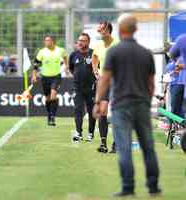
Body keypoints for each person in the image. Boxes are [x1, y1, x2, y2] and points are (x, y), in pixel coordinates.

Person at [93, 14, 161, 197]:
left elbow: (105, 79)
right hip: (141, 104)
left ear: (121, 30)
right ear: (135, 30)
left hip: (121, 104)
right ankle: (153, 187)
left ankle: (128, 187)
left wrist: (97, 101)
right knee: (148, 147)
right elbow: (151, 84)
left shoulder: (114, 52)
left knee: (123, 148)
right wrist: (146, 101)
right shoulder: (146, 53)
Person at [92, 21, 119, 153]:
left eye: (101, 29)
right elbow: (94, 57)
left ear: (108, 30)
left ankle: (116, 144)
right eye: (98, 29)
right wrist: (95, 70)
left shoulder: (118, 44)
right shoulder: (98, 46)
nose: (99, 32)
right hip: (103, 82)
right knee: (102, 111)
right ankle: (103, 144)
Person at [32, 35, 69, 126]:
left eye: (48, 40)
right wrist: (34, 75)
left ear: (53, 41)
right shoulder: (42, 52)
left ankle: (52, 117)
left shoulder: (60, 50)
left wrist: (67, 66)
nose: (46, 42)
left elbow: (65, 57)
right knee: (48, 98)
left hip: (56, 76)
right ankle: (49, 116)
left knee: (53, 95)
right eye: (45, 41)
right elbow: (36, 64)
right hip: (45, 78)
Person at [69, 33, 96, 142]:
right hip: (77, 88)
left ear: (88, 42)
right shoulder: (73, 55)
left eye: (83, 40)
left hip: (91, 88)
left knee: (91, 111)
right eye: (79, 40)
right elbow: (71, 69)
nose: (80, 42)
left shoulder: (94, 53)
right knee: (78, 109)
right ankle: (79, 132)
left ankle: (90, 133)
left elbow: (98, 68)